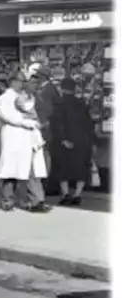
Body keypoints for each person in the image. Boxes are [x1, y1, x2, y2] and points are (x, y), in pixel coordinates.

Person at [0, 70, 50, 213]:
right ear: (13, 81)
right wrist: (27, 123)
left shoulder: (26, 97)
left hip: (28, 138)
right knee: (12, 170)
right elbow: (8, 116)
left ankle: (37, 200)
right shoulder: (4, 98)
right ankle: (8, 200)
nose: (23, 84)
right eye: (21, 81)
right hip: (14, 137)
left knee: (32, 169)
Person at [49, 76, 94, 206]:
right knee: (81, 168)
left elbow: (56, 123)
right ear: (74, 89)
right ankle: (77, 194)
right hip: (81, 141)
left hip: (64, 141)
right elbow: (89, 124)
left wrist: (63, 139)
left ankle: (66, 193)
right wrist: (90, 141)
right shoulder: (82, 104)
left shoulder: (59, 104)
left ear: (62, 89)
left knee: (62, 168)